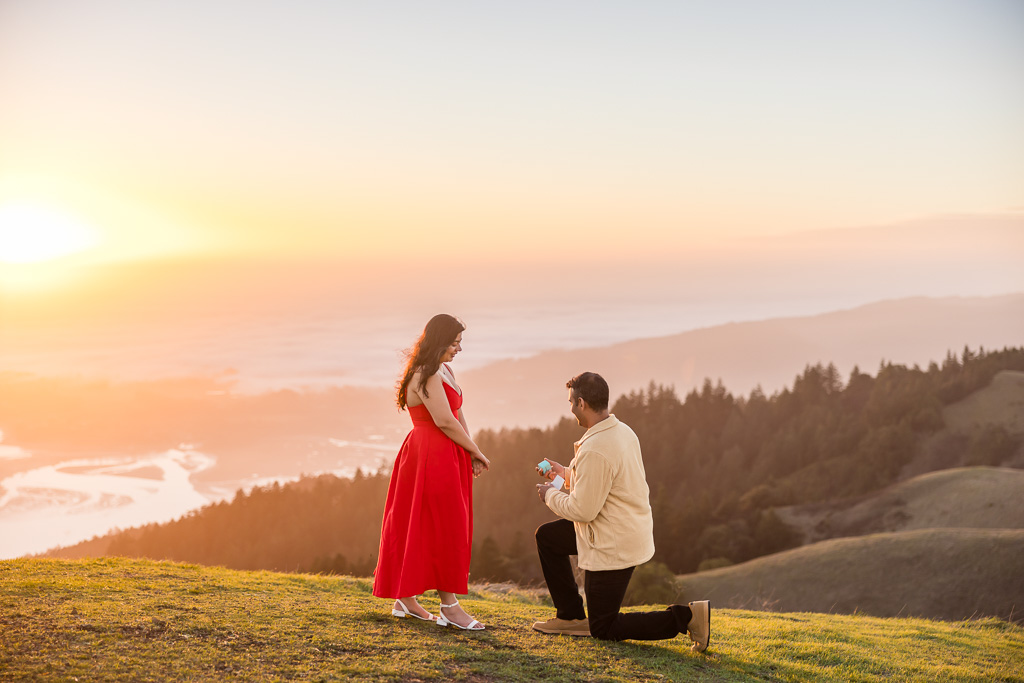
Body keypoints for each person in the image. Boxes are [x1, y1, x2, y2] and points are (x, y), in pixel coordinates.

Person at [533, 372, 711, 651]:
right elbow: (604, 481)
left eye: (570, 402)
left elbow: (583, 509)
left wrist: (550, 495)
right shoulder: (621, 431)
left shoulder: (595, 448)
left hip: (612, 542)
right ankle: (570, 617)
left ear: (581, 403)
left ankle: (686, 617)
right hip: (618, 527)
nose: (569, 408)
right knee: (548, 537)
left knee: (603, 628)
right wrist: (565, 474)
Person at [372, 314, 491, 630]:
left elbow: (458, 414)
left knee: (436, 524)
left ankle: (406, 599)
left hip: (446, 454)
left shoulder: (444, 371)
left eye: (460, 343)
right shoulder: (425, 375)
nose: (458, 349)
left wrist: (469, 452)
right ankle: (448, 606)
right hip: (428, 455)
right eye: (454, 343)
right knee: (440, 525)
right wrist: (476, 452)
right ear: (439, 341)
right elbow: (444, 420)